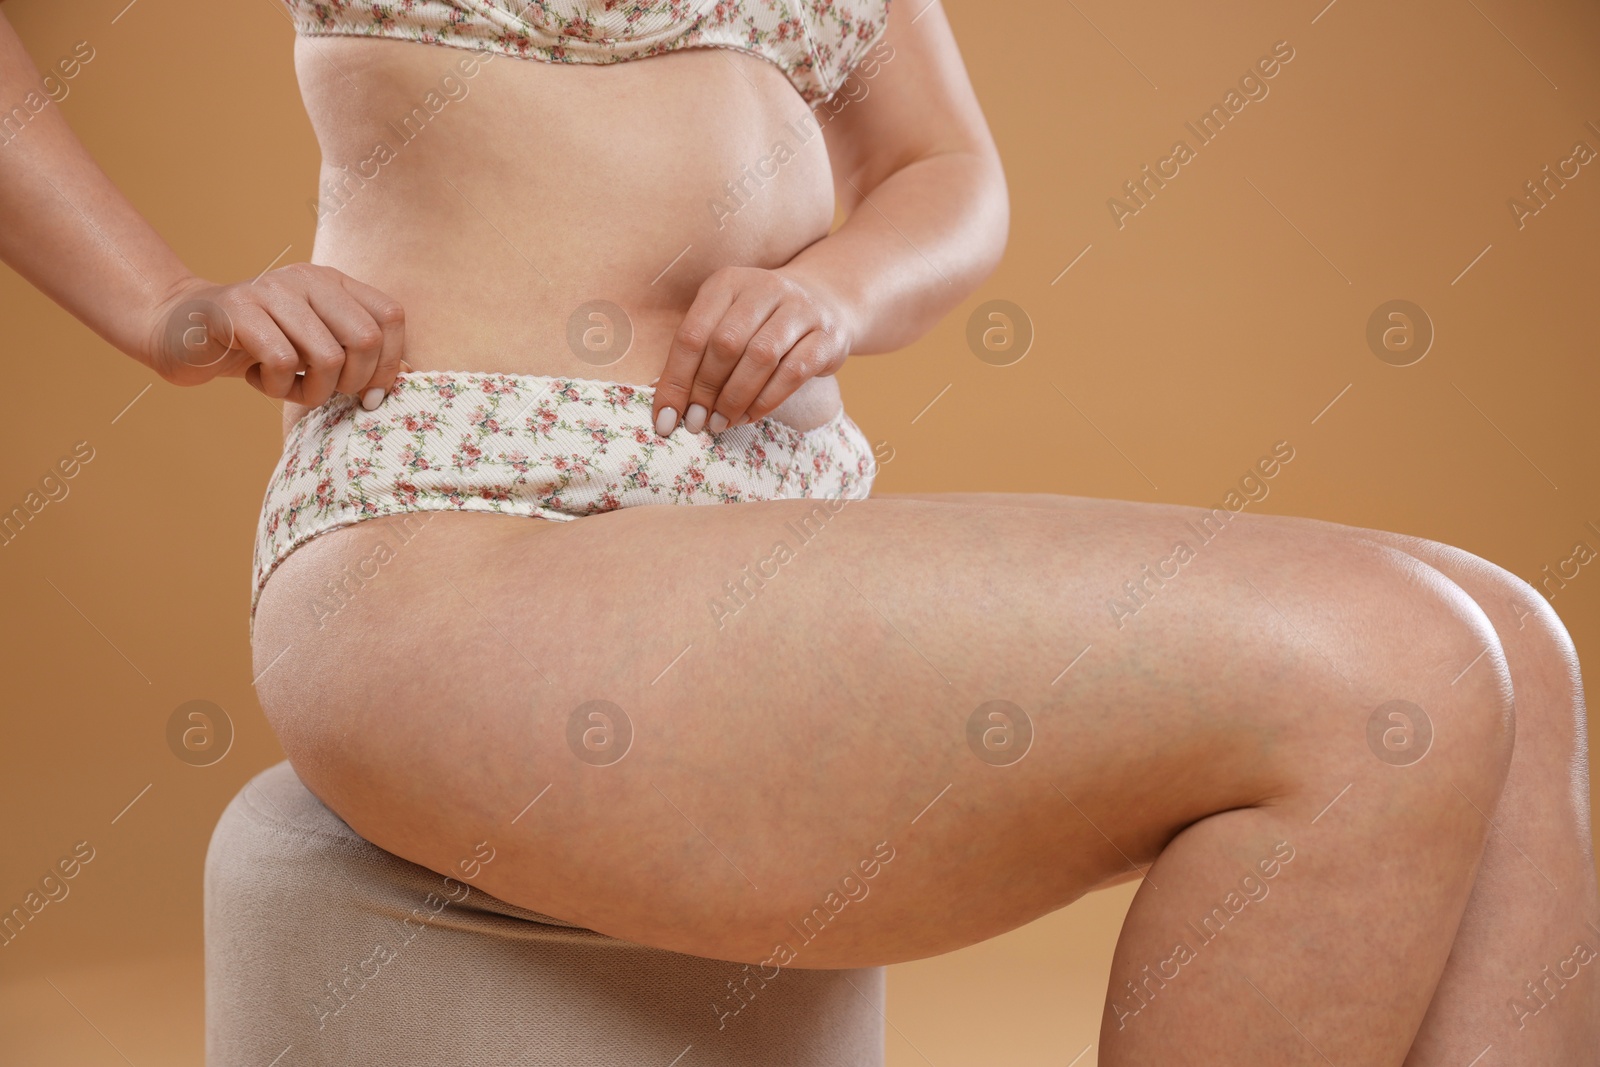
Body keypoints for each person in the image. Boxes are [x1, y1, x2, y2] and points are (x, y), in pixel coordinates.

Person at [2, 1, 1595, 1062]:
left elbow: (943, 168)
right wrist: (169, 308)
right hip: (471, 531)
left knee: (1515, 645)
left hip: (759, 523)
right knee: (1390, 670)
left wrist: (839, 289)